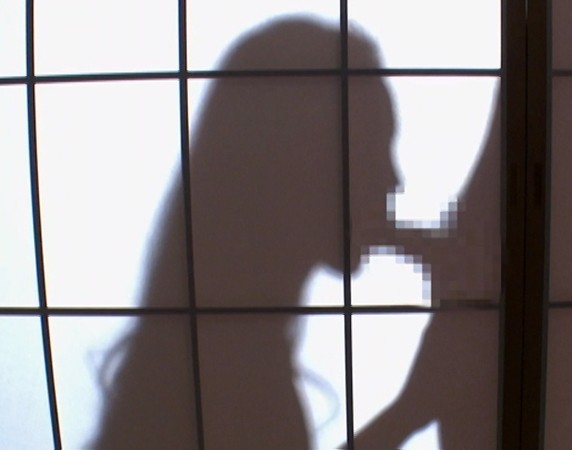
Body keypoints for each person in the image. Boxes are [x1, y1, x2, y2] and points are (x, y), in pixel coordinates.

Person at [91, 17, 398, 449]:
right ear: (298, 157)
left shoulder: (213, 353)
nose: (393, 178)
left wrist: (408, 413)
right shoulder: (237, 372)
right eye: (372, 147)